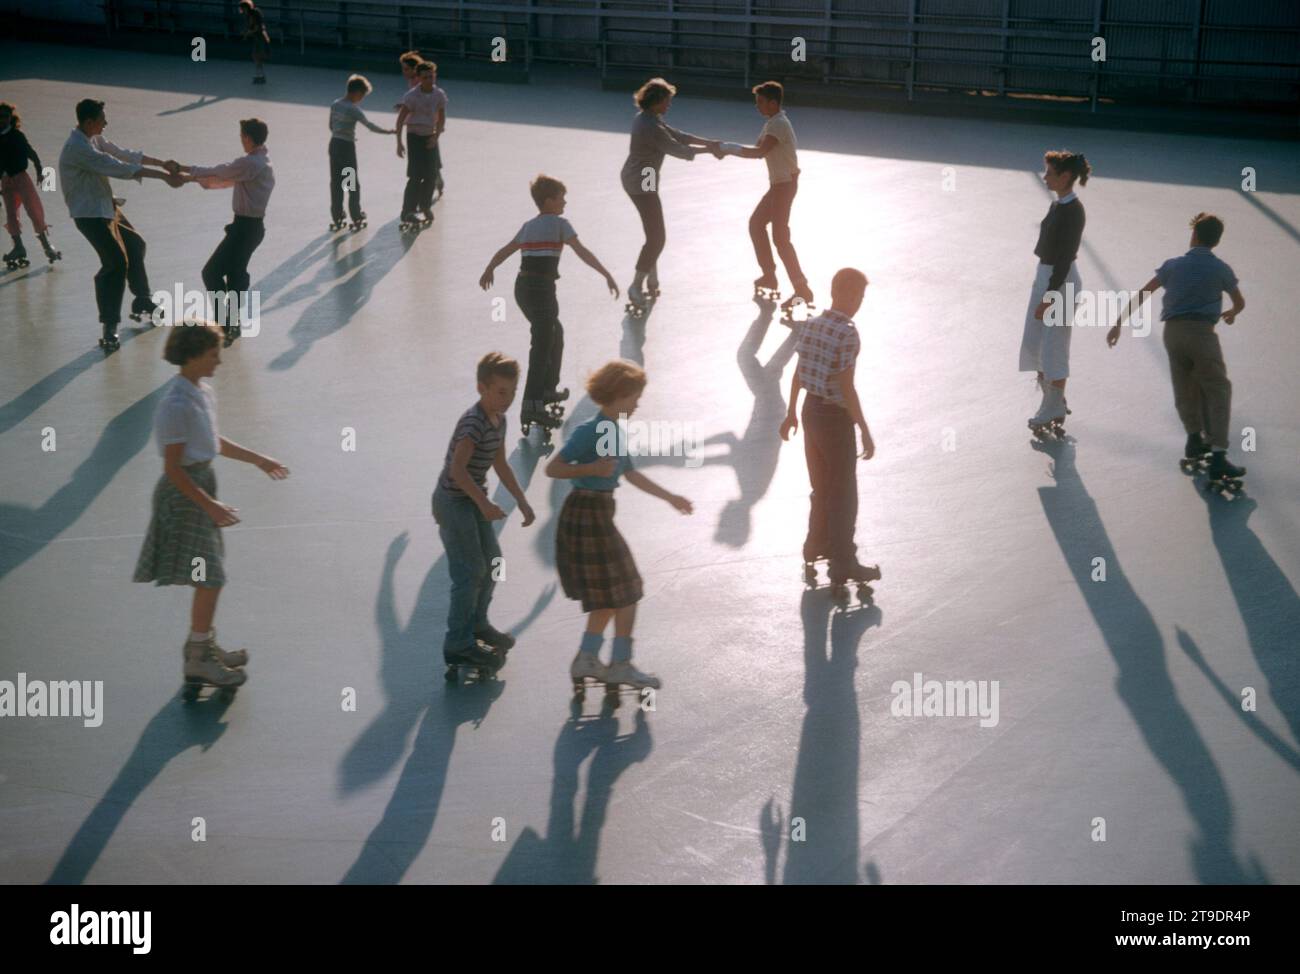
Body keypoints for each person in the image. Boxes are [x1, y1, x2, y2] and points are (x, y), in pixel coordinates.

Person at [133, 321, 290, 692]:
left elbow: (212, 440)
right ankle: (199, 658)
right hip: (185, 496)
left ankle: (200, 645)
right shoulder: (174, 405)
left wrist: (258, 459)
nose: (219, 360)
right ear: (191, 356)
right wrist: (210, 506)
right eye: (212, 354)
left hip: (200, 488)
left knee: (208, 576)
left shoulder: (201, 391)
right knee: (210, 577)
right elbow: (172, 469)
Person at [546, 360, 694, 693]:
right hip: (587, 514)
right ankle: (620, 665)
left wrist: (670, 497)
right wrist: (593, 469)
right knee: (628, 590)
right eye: (634, 398)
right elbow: (553, 469)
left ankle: (587, 658)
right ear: (618, 395)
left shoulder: (614, 430)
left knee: (608, 597)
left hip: (596, 514)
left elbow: (630, 473)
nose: (638, 404)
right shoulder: (592, 430)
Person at [1107, 212, 1247, 484]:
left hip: (1173, 333)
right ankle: (1218, 454)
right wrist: (1230, 313)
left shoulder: (1173, 265)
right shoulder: (1222, 269)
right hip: (1202, 334)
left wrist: (1119, 322)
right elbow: (1240, 302)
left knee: (1184, 385)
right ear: (1216, 241)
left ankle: (1194, 438)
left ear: (1193, 235)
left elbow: (1143, 293)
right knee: (1217, 388)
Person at [478, 174, 619, 431]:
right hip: (541, 289)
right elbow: (582, 251)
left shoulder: (528, 226)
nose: (565, 202)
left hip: (523, 289)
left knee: (555, 333)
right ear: (549, 201)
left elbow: (506, 249)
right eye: (561, 198)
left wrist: (490, 267)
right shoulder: (560, 224)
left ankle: (546, 390)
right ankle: (532, 406)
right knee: (542, 344)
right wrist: (606, 273)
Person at [432, 352, 536, 671]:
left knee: (493, 563)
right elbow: (458, 471)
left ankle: (477, 624)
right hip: (453, 502)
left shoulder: (499, 421)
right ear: (482, 388)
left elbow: (500, 463)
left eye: (513, 392)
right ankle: (458, 643)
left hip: (472, 499)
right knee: (470, 571)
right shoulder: (473, 424)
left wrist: (521, 500)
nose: (507, 400)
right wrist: (485, 504)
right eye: (501, 392)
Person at [780, 268, 881, 590]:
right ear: (848, 295)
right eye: (861, 297)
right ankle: (843, 563)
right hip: (835, 418)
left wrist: (791, 412)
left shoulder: (812, 325)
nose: (861, 303)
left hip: (811, 412)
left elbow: (798, 372)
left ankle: (815, 547)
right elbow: (846, 387)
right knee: (844, 494)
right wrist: (863, 428)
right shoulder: (847, 333)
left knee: (821, 486)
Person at [57, 98, 181, 349]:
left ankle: (143, 300)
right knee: (115, 263)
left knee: (135, 246)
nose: (106, 122)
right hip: (90, 216)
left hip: (106, 206)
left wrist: (162, 163)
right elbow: (118, 167)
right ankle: (110, 325)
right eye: (103, 118)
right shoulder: (77, 148)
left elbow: (122, 153)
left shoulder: (93, 138)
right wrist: (164, 178)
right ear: (90, 121)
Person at [169, 118, 275, 345]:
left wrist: (184, 169)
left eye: (241, 136)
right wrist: (189, 178)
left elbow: (221, 172)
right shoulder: (262, 163)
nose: (241, 141)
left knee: (211, 272)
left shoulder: (250, 163)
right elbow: (225, 180)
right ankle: (231, 322)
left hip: (244, 228)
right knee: (236, 272)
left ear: (247, 137)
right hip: (251, 228)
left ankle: (225, 322)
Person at [619, 77, 720, 312]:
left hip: (641, 177)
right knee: (657, 238)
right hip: (641, 181)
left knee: (652, 233)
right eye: (667, 101)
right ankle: (636, 286)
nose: (669, 105)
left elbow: (680, 136)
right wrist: (712, 149)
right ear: (656, 102)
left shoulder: (649, 118)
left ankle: (652, 279)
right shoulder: (650, 127)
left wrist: (710, 143)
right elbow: (680, 150)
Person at [715, 81, 812, 316]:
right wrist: (727, 148)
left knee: (780, 238)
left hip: (784, 186)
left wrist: (726, 148)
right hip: (779, 185)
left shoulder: (778, 124)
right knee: (757, 224)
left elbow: (758, 152)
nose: (756, 106)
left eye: (760, 102)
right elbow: (757, 149)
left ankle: (802, 290)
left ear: (773, 102)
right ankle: (769, 275)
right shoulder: (772, 123)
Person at [1020, 150, 1090, 432]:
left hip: (1060, 283)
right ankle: (1055, 402)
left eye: (1049, 172)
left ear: (1065, 176)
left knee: (1054, 349)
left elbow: (1064, 257)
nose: (1045, 177)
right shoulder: (1059, 205)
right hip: (1046, 277)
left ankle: (1051, 406)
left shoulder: (1074, 211)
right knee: (1035, 345)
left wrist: (1049, 297)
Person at [328, 74, 393, 231]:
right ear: (357, 92)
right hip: (346, 149)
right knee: (351, 184)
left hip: (334, 145)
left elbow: (331, 125)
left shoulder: (335, 104)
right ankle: (356, 216)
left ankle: (337, 216)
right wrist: (389, 131)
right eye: (362, 95)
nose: (362, 99)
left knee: (336, 182)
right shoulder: (353, 109)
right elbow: (370, 126)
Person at [0, 101, 60, 267]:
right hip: (5, 180)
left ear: (10, 119)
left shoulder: (17, 135)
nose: (2, 120)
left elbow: (31, 153)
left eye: (5, 117)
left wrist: (40, 171)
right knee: (11, 214)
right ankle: (18, 247)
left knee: (33, 210)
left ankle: (47, 247)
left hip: (21, 178)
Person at [394, 61, 447, 225]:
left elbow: (441, 118)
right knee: (416, 176)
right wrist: (399, 142)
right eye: (426, 77)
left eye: (432, 76)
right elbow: (401, 119)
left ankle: (425, 206)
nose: (430, 80)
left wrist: (436, 137)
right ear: (420, 78)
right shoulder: (411, 96)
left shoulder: (439, 95)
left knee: (431, 175)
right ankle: (408, 211)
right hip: (414, 137)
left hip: (430, 137)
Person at [239, 1, 271, 85]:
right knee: (256, 56)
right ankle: (260, 75)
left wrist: (247, 33)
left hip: (260, 37)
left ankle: (260, 75)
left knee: (257, 56)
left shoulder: (254, 14)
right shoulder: (249, 15)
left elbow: (257, 27)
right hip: (257, 37)